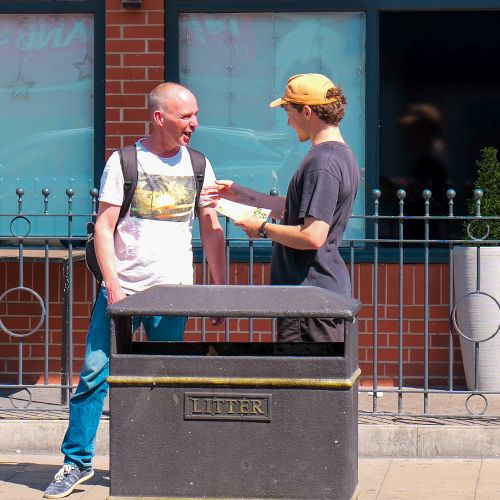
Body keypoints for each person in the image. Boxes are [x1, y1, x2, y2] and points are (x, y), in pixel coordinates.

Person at [43, 82, 226, 499]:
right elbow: (104, 228)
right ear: (160, 117)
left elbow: (212, 231)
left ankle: (161, 461)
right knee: (94, 375)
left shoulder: (199, 165)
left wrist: (218, 287)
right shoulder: (124, 162)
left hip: (174, 292)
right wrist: (112, 285)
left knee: (165, 377)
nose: (194, 123)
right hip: (122, 291)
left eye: (196, 115)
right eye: (185, 116)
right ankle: (76, 463)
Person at [207, 73, 359, 342]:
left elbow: (313, 235)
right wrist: (242, 194)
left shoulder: (322, 162)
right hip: (317, 298)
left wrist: (262, 229)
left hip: (308, 301)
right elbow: (295, 209)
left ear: (308, 111)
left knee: (304, 383)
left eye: (289, 112)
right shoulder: (340, 155)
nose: (288, 121)